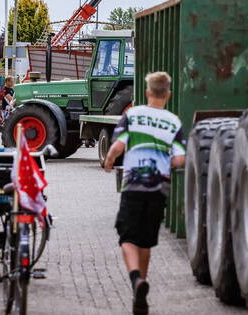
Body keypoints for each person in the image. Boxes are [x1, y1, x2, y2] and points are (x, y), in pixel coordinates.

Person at [103, 71, 185, 315]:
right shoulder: (173, 122)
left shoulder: (133, 115)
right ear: (168, 95)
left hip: (134, 185)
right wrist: (165, 162)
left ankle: (136, 280)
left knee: (127, 237)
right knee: (146, 240)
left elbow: (118, 146)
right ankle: (140, 298)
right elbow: (179, 159)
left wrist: (109, 161)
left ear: (148, 92)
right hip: (158, 188)